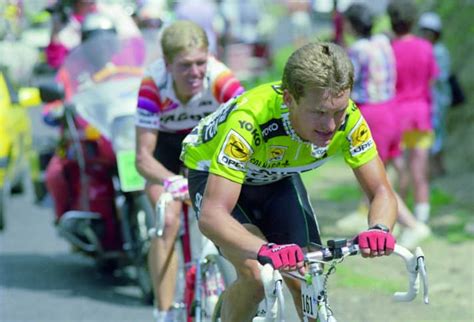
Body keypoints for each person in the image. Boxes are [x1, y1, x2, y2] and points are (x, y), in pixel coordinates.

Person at [180, 41, 397, 321]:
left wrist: (379, 229)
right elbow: (212, 216)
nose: (331, 125)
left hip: (275, 175)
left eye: (337, 111)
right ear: (288, 99)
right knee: (259, 276)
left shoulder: (350, 120)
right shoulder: (251, 119)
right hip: (213, 173)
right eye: (318, 112)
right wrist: (266, 249)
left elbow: (382, 191)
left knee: (306, 277)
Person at [134, 20, 244, 322]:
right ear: (167, 64)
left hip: (208, 150)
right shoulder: (153, 84)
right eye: (185, 66)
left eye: (200, 63)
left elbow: (250, 127)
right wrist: (172, 182)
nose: (195, 72)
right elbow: (142, 158)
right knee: (167, 218)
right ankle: (165, 311)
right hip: (165, 154)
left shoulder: (221, 78)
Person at [341, 3, 430, 249]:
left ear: (350, 25)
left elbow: (347, 81)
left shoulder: (357, 49)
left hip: (371, 114)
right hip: (391, 110)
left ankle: (412, 223)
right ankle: (401, 217)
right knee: (390, 168)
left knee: (376, 181)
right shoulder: (383, 42)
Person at [387, 0, 438, 223]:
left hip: (397, 115)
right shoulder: (426, 47)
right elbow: (433, 80)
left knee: (401, 172)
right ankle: (422, 218)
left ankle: (402, 219)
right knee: (420, 171)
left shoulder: (389, 49)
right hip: (421, 114)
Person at [45, 0, 141, 69]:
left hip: (117, 77)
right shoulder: (63, 19)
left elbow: (136, 48)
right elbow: (56, 62)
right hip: (84, 84)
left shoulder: (113, 9)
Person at [418, 12, 452, 177]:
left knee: (437, 134)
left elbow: (439, 76)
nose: (426, 35)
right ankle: (433, 169)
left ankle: (436, 169)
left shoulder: (439, 52)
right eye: (424, 31)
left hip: (438, 100)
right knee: (431, 135)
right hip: (429, 101)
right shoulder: (427, 50)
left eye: (429, 32)